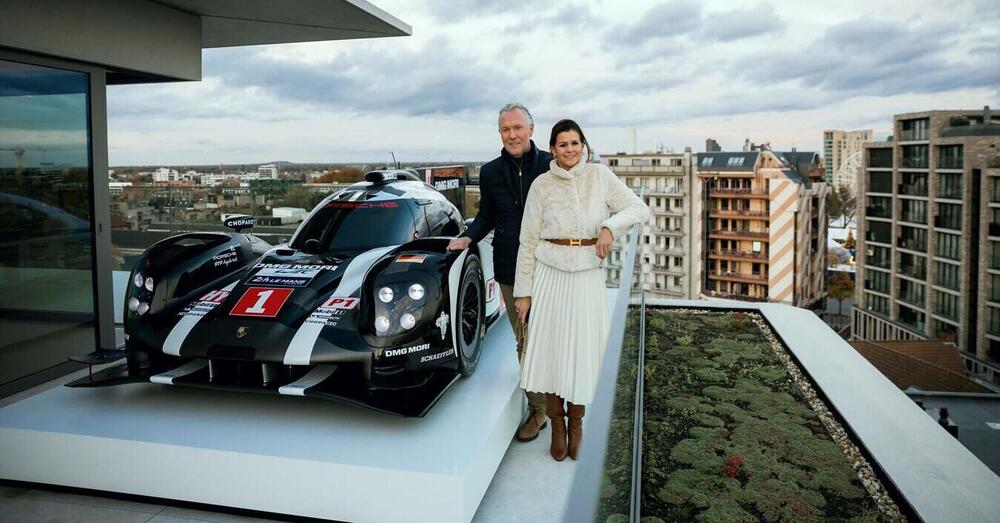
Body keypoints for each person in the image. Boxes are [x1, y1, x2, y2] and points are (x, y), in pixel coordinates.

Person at [513, 119, 649, 461]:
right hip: (549, 275)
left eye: (575, 143)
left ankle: (577, 426)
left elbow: (637, 208)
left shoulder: (600, 176)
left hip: (587, 276)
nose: (569, 150)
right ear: (553, 149)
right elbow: (527, 241)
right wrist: (523, 294)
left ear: (583, 145)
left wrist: (609, 227)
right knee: (552, 355)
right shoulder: (541, 185)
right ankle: (557, 427)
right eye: (562, 144)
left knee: (582, 354)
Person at [447, 103, 552, 443]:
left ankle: (561, 404)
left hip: (550, 265)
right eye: (505, 129)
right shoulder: (490, 172)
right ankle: (538, 411)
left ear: (531, 129)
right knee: (525, 339)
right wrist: (468, 237)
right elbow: (486, 216)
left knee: (553, 336)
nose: (512, 134)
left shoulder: (551, 164)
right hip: (510, 268)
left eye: (517, 127)